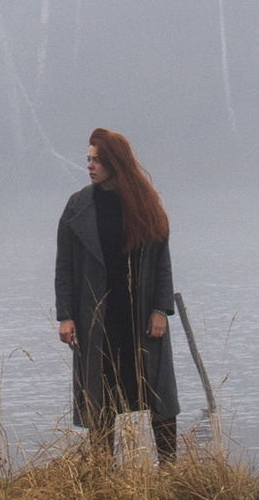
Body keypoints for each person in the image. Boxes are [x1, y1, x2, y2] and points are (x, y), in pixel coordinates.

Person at [56, 126, 179, 460]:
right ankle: (101, 473)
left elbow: (162, 262)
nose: (90, 166)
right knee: (100, 393)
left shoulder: (144, 202)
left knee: (159, 395)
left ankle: (170, 470)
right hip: (96, 314)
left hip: (140, 315)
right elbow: (64, 266)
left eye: (97, 160)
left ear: (115, 162)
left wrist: (160, 309)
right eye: (88, 159)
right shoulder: (76, 207)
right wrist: (66, 316)